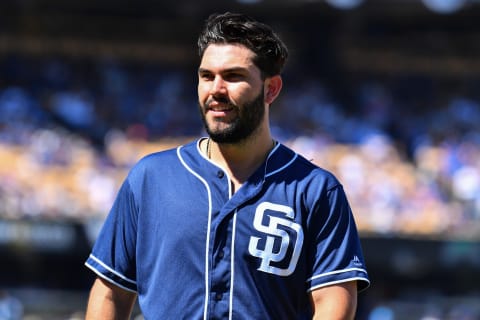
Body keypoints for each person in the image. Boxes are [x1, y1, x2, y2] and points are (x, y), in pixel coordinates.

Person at [85, 12, 370, 319]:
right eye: (207, 76)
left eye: (233, 76)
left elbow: (333, 303)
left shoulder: (315, 189)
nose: (216, 90)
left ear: (271, 89)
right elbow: (110, 293)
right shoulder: (151, 178)